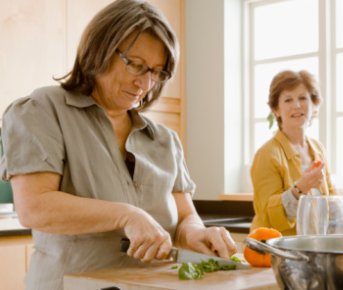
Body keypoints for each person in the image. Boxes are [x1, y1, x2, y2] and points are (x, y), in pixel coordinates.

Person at [0, 1, 237, 289]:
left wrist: (196, 233)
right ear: (99, 49)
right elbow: (35, 207)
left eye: (156, 72)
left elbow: (186, 216)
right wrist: (127, 215)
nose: (145, 82)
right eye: (135, 65)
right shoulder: (42, 110)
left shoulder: (165, 140)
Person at [250, 70, 343, 236]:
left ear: (314, 104)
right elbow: (268, 215)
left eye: (302, 98)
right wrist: (300, 188)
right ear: (276, 109)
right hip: (273, 249)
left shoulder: (318, 149)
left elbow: (332, 198)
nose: (296, 105)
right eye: (288, 99)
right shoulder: (267, 154)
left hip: (312, 245)